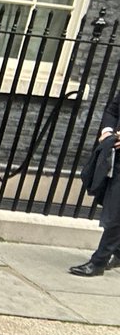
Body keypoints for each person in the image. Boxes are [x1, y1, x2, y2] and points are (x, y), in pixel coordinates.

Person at [70, 89, 120, 277]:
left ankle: (98, 261)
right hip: (115, 157)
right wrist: (107, 132)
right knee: (110, 203)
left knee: (115, 212)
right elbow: (113, 110)